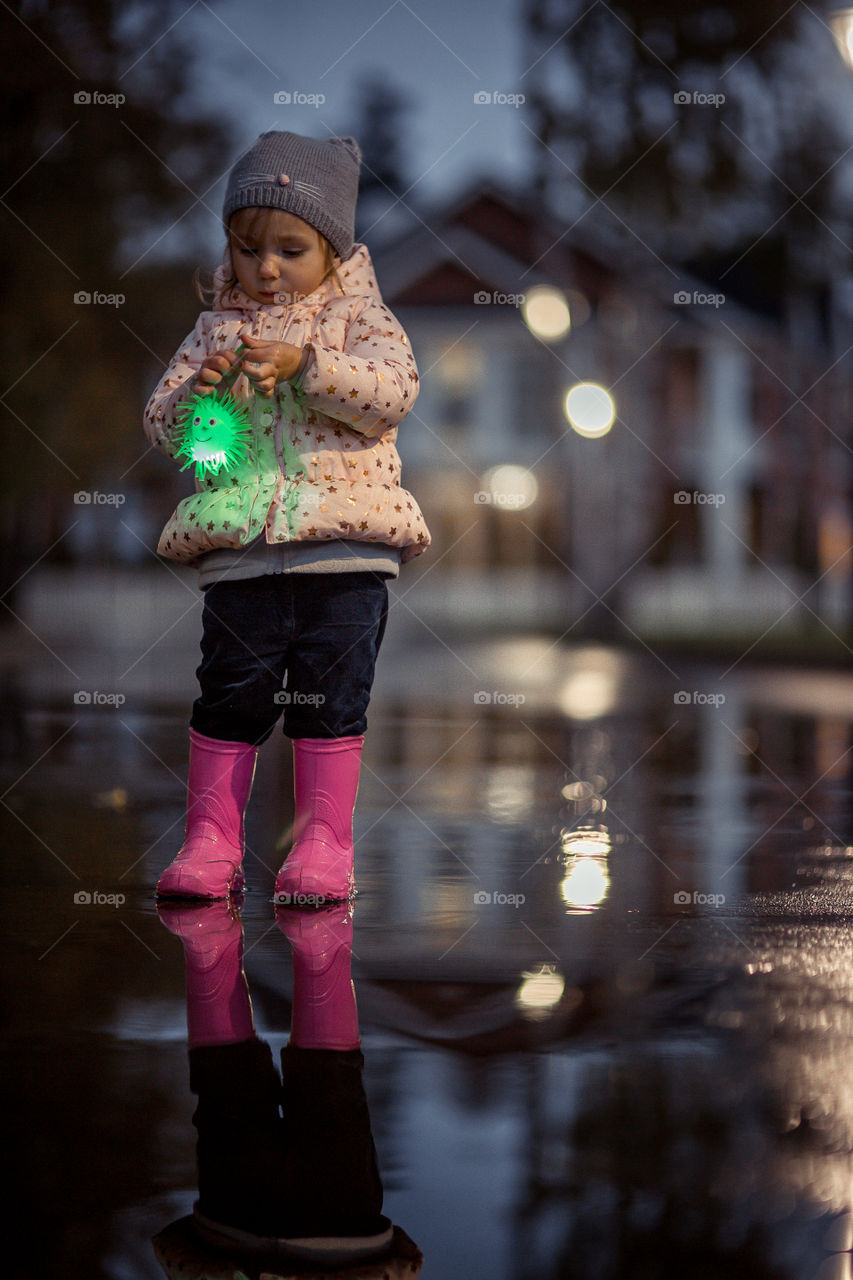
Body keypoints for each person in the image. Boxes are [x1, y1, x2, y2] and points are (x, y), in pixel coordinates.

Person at [143, 131, 430, 905]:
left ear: (332, 251)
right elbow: (169, 435)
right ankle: (211, 842)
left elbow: (393, 392)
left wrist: (308, 366)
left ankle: (322, 847)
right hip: (240, 552)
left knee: (333, 699)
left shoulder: (361, 321)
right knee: (230, 692)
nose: (266, 269)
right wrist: (200, 399)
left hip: (343, 553)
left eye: (290, 249)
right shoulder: (213, 335)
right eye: (248, 249)